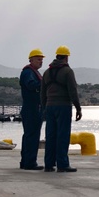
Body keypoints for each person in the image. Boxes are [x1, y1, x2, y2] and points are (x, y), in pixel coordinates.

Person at [40, 45, 82, 173]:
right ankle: (63, 164)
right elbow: (72, 91)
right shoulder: (67, 71)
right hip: (63, 106)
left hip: (49, 106)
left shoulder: (47, 72)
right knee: (62, 136)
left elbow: (42, 93)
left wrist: (44, 108)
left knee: (50, 135)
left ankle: (48, 164)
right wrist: (78, 108)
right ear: (66, 57)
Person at [18, 48, 45, 170]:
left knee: (30, 135)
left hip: (33, 108)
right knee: (32, 136)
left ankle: (26, 161)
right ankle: (29, 162)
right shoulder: (28, 73)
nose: (41, 62)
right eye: (38, 59)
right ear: (31, 60)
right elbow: (31, 85)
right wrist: (44, 84)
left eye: (42, 60)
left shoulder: (33, 72)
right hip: (31, 109)